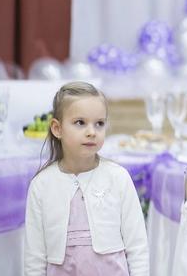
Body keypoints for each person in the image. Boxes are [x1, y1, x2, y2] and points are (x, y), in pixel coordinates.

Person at [24, 82, 148, 276]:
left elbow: (137, 246)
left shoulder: (118, 178)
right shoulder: (41, 185)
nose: (92, 132)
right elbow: (34, 258)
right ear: (57, 128)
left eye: (99, 123)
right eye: (80, 122)